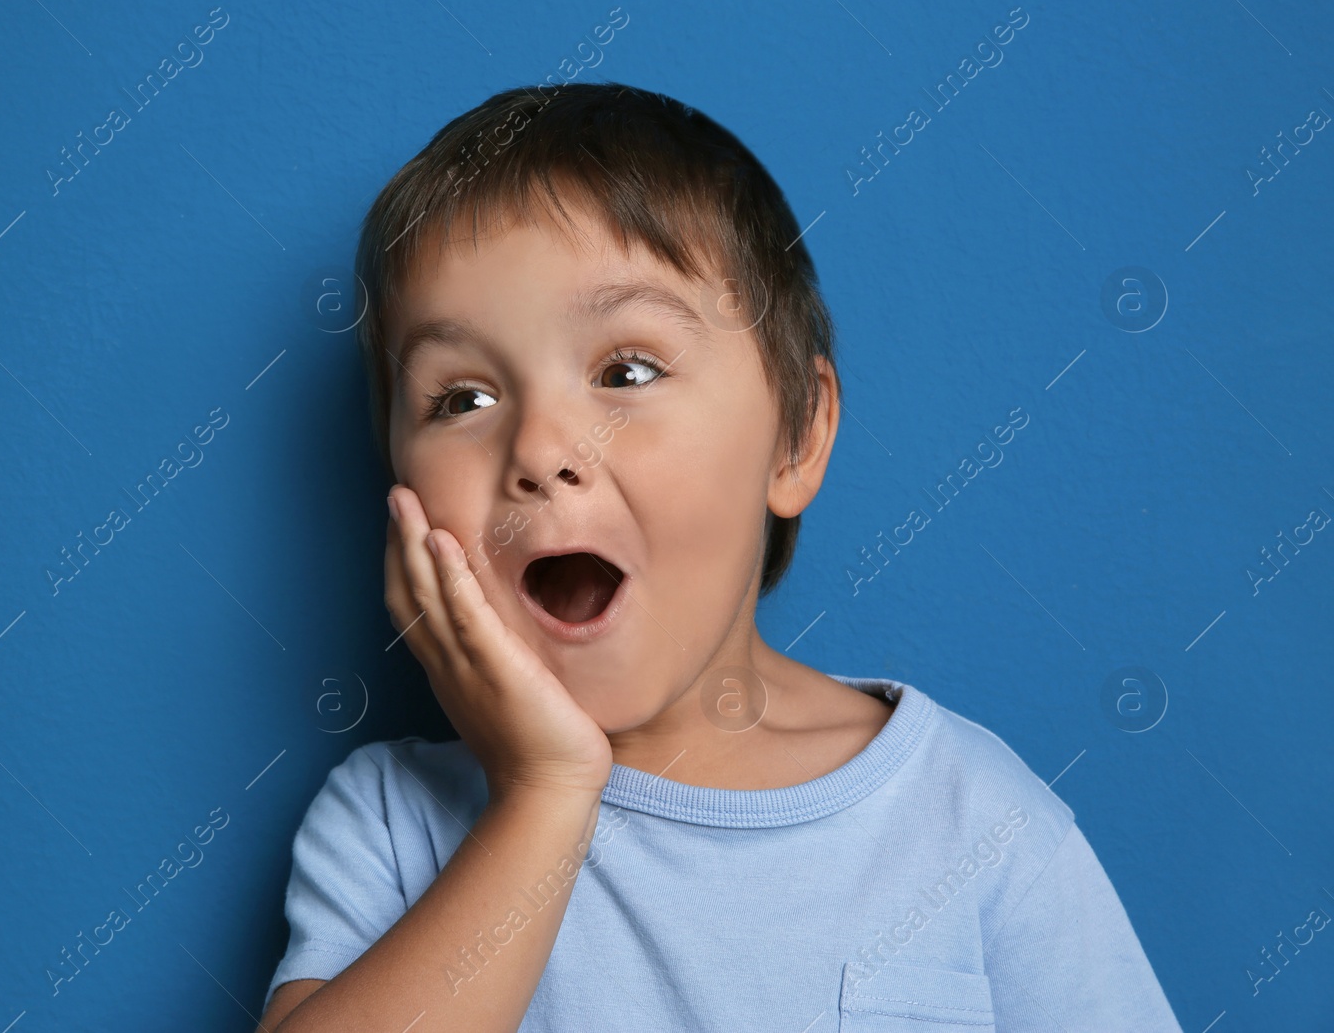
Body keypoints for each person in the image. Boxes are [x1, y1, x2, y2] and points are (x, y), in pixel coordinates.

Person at [257, 82, 1182, 1032]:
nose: (539, 450)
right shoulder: (392, 820)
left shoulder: (976, 824)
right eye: (462, 399)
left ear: (795, 438)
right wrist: (543, 795)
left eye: (628, 372)